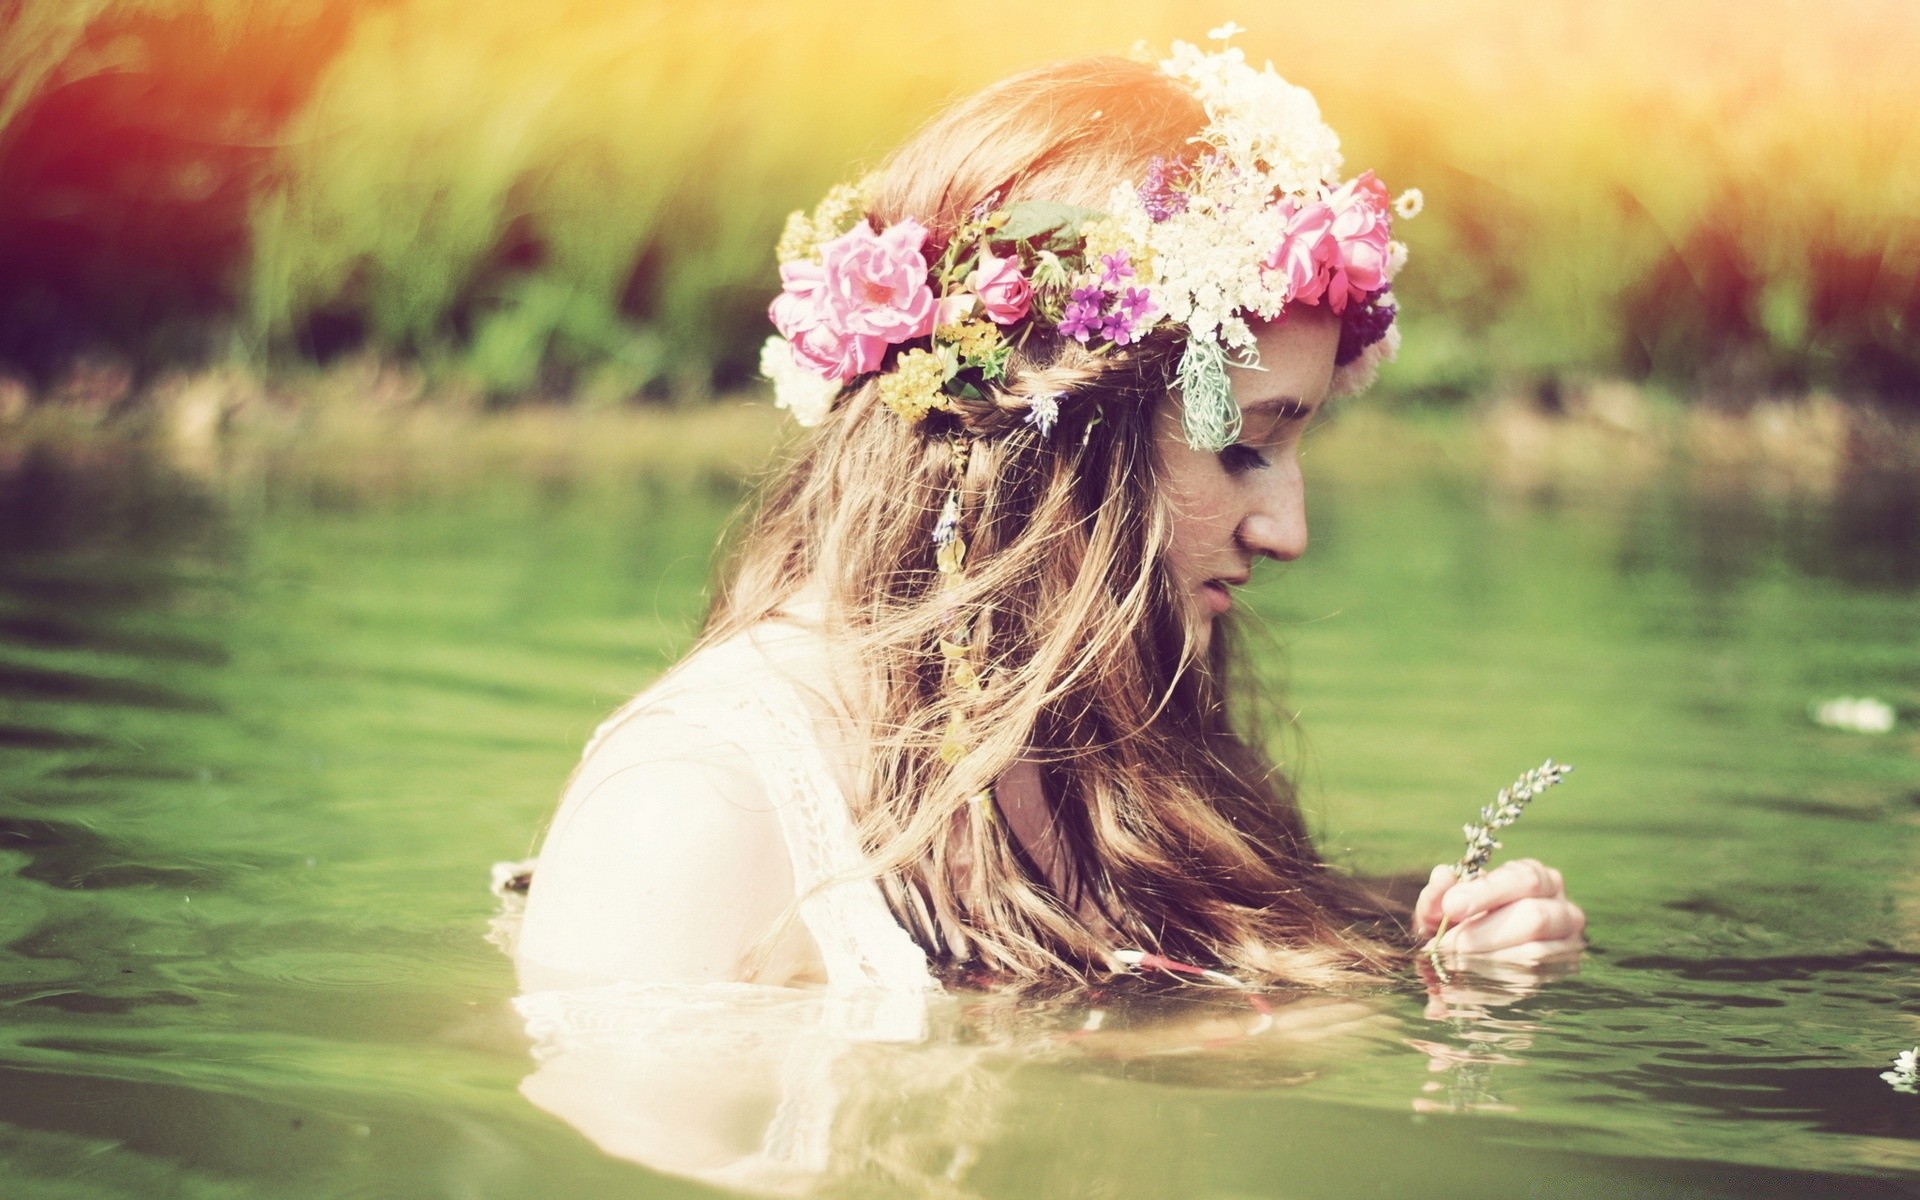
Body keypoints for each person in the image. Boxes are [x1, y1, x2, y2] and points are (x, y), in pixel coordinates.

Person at [511, 31, 1584, 1002]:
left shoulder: (1111, 723)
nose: (1287, 533)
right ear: (1058, 437)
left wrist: (1432, 947)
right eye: (1245, 445)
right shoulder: (692, 816)